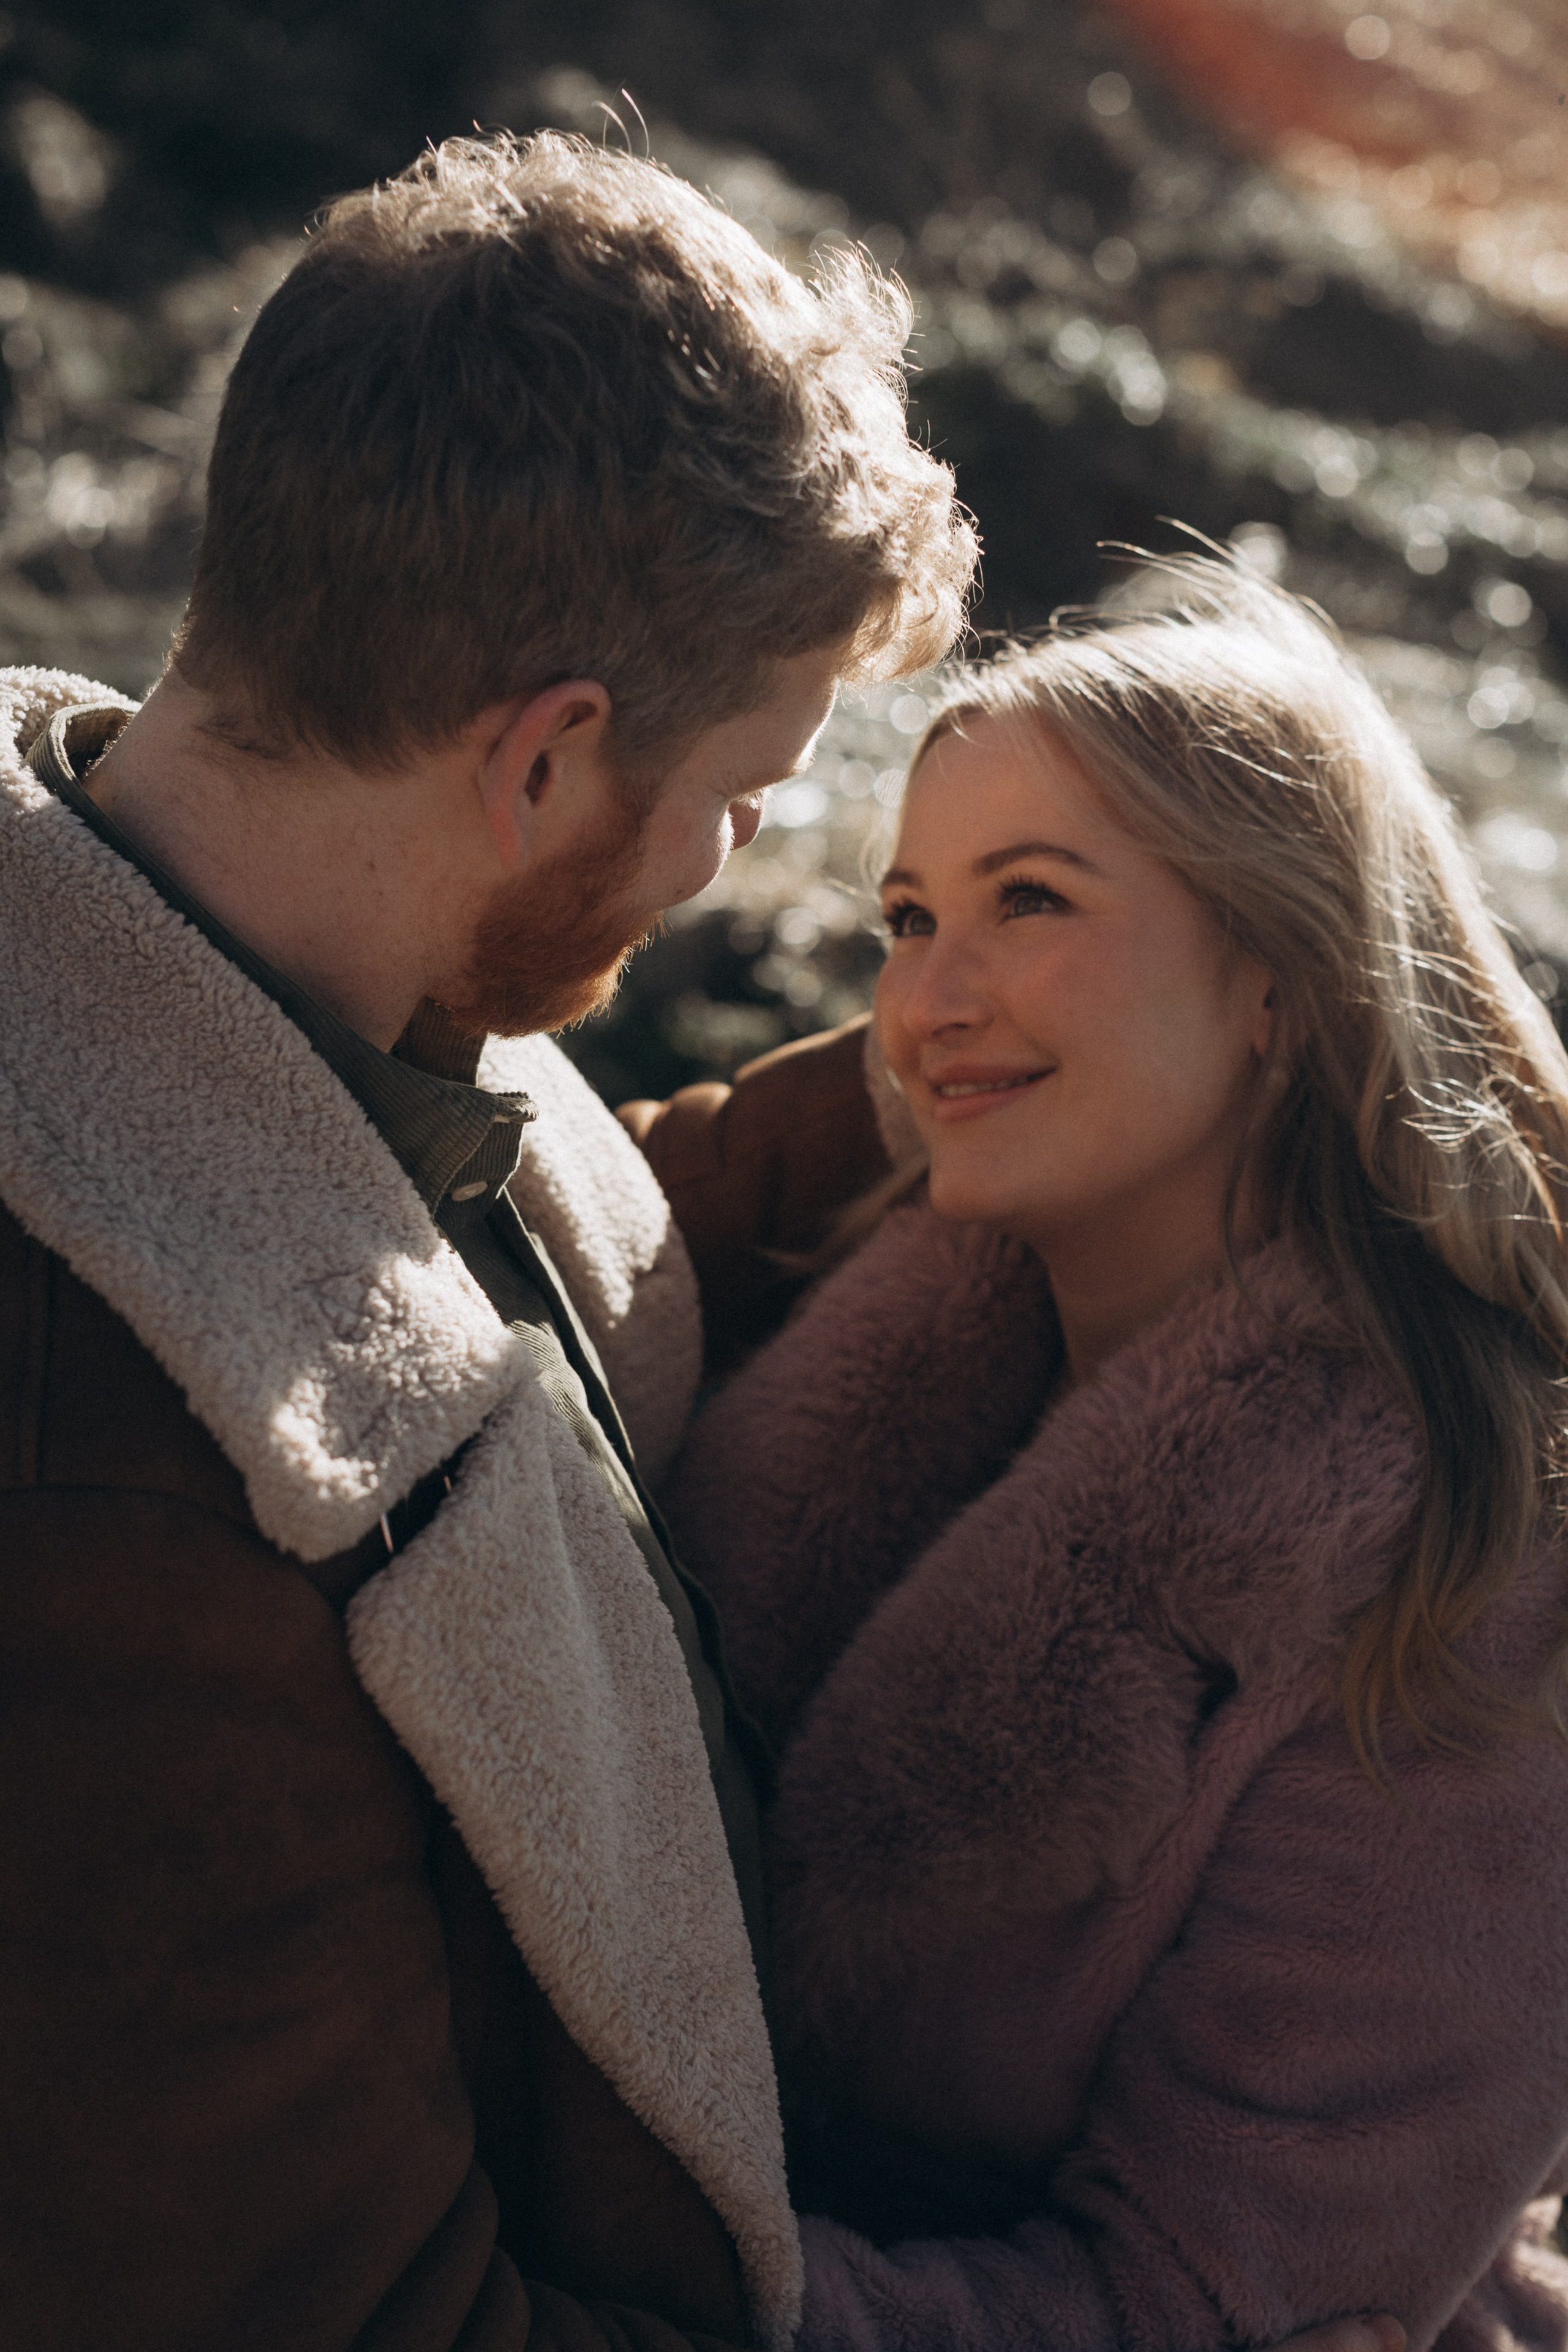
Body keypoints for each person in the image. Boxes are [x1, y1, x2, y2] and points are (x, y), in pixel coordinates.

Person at [0, 128, 970, 2351]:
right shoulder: (107, 1506)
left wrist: (1026, 1070)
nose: (730, 868)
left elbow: (459, 1236)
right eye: (740, 803)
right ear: (544, 761)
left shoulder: (235, 955)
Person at [660, 559, 1568, 2352]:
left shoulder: (1471, 1577)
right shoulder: (826, 1327)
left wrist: (568, 2293)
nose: (925, 1007)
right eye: (908, 921)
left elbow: (1205, 2307)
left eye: (1030, 902)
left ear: (1283, 985)